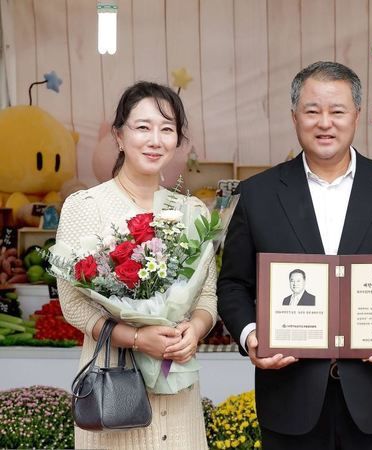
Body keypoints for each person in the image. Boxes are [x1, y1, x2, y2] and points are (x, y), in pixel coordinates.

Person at [217, 61, 372, 450]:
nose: (325, 122)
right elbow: (234, 282)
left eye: (337, 111)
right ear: (294, 116)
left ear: (356, 116)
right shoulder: (259, 194)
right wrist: (252, 336)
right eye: (312, 110)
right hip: (290, 400)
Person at [56, 81, 217, 449]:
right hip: (115, 389)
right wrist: (138, 338)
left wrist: (195, 328)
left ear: (178, 140)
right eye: (142, 127)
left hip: (179, 393)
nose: (155, 140)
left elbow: (207, 295)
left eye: (167, 129)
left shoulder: (190, 212)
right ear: (118, 136)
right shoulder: (87, 207)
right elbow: (73, 304)